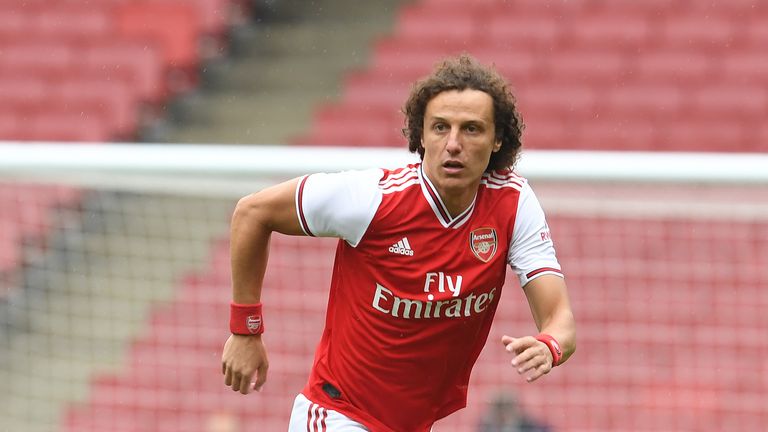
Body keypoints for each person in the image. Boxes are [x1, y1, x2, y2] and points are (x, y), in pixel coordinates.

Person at [221, 54, 576, 432]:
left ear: (497, 139)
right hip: (338, 415)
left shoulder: (513, 204)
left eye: (471, 129)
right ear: (421, 135)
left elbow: (560, 319)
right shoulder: (374, 198)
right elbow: (252, 213)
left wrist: (549, 346)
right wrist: (245, 329)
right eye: (440, 127)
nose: (453, 143)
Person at [478, 393, 551, 432]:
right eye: (499, 407)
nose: (503, 412)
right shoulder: (486, 426)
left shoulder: (530, 425)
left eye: (507, 407)